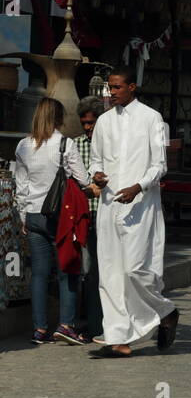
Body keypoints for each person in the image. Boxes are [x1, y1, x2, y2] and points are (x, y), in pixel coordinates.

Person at [89, 68, 179, 358]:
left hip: (140, 205)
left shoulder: (152, 119)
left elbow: (159, 165)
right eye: (109, 88)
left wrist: (138, 187)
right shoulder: (103, 122)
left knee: (135, 269)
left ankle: (165, 311)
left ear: (131, 87)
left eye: (116, 87)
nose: (111, 92)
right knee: (111, 272)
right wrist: (97, 175)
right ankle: (118, 339)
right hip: (109, 203)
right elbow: (95, 160)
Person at [14, 97, 92, 345]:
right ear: (59, 118)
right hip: (60, 217)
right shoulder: (65, 145)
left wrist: (23, 216)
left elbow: (21, 186)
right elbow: (82, 178)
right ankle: (65, 325)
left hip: (34, 216)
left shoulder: (24, 145)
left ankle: (39, 329)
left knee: (38, 274)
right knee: (66, 271)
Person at [75, 96, 105, 341]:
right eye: (84, 123)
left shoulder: (110, 145)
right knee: (86, 272)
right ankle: (88, 323)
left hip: (106, 216)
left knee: (100, 273)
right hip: (84, 216)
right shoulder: (76, 145)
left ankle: (98, 325)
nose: (87, 127)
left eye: (91, 122)